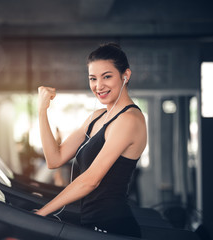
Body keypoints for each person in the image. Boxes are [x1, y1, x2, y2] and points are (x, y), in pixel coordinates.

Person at [35, 43, 147, 238]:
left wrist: (42, 213)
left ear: (125, 75)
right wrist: (41, 111)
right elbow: (54, 159)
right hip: (90, 223)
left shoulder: (129, 120)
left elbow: (90, 181)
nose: (98, 86)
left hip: (113, 227)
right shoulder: (96, 116)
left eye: (107, 76)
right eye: (93, 79)